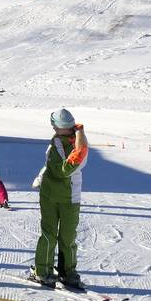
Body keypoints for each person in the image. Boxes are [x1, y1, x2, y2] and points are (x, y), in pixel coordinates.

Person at [30, 109, 88, 288]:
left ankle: (67, 272)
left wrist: (80, 138)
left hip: (69, 197)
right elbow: (51, 165)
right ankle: (43, 270)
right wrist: (41, 176)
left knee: (67, 237)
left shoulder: (78, 145)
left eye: (55, 125)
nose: (53, 128)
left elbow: (65, 169)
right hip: (50, 195)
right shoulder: (58, 141)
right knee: (49, 234)